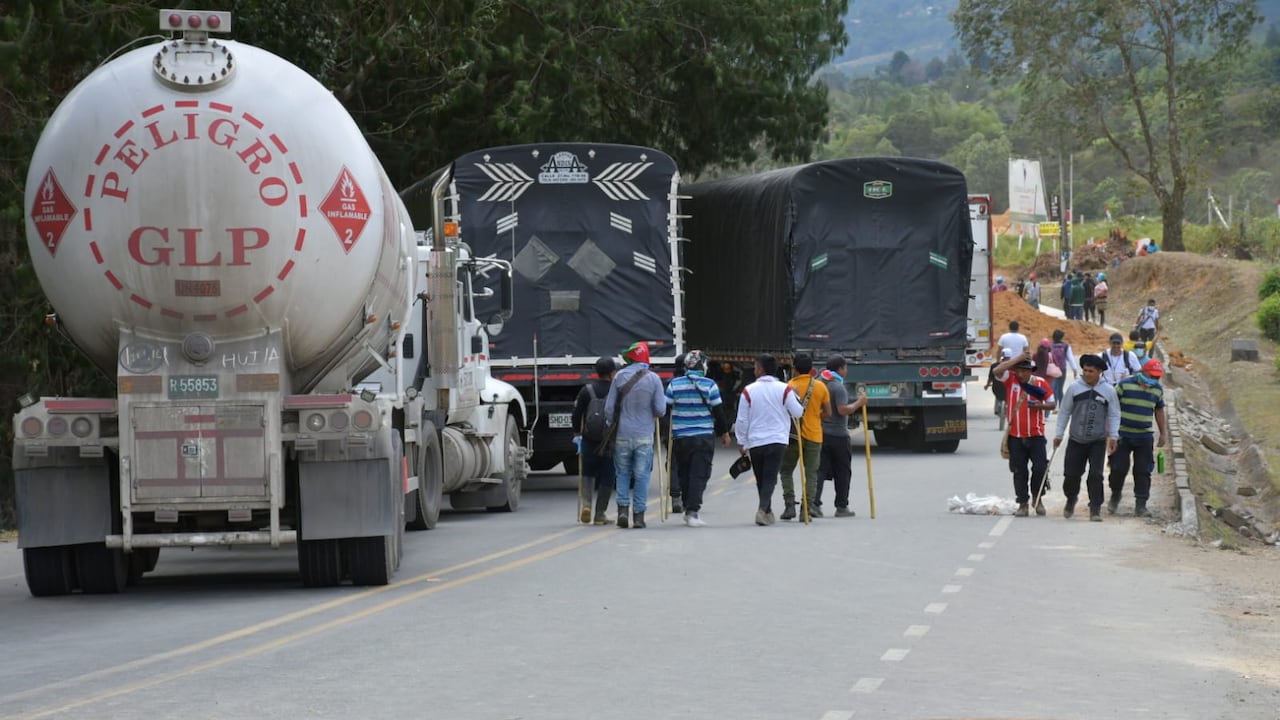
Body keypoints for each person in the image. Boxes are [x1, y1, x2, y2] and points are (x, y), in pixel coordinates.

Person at [735, 353, 804, 526]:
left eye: (756, 366)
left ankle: (765, 509)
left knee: (761, 477)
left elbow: (742, 419)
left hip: (756, 440)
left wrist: (741, 441)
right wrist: (795, 396)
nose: (755, 369)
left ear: (761, 369)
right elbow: (798, 412)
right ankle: (764, 509)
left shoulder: (748, 390)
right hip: (777, 439)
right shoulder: (784, 389)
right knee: (770, 477)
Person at [603, 341, 667, 529]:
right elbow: (661, 410)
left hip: (622, 434)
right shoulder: (654, 379)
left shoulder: (619, 376)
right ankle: (639, 517)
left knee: (622, 473)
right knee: (641, 476)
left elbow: (608, 409)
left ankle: (623, 511)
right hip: (644, 435)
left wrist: (611, 424)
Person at [664, 350, 731, 527]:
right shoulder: (710, 385)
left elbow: (666, 410)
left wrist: (667, 433)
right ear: (703, 366)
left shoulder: (674, 385)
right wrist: (724, 433)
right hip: (703, 436)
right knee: (699, 474)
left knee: (684, 473)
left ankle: (687, 505)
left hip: (680, 437)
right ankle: (692, 511)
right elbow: (718, 412)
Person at [1053, 354, 1120, 521]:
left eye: (1091, 371)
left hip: (1097, 440)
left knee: (1096, 475)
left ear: (1099, 372)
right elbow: (1064, 412)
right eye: (1085, 370)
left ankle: (1095, 508)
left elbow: (1114, 414)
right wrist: (1059, 434)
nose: (1087, 374)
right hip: (1076, 439)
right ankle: (1071, 498)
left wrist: (1113, 435)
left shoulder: (1108, 391)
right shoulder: (1074, 388)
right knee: (1071, 474)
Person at [992, 349, 1056, 516]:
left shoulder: (1040, 383)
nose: (1020, 373)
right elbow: (996, 371)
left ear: (1030, 371)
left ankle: (1038, 498)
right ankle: (1023, 503)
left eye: (1024, 370)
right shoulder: (1010, 381)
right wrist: (1018, 358)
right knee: (1019, 471)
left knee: (1040, 468)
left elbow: (1052, 404)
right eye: (1017, 369)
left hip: (1036, 435)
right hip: (1015, 436)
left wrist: (1039, 406)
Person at [1107, 358, 1168, 518]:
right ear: (1143, 372)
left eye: (1157, 377)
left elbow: (1159, 411)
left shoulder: (1157, 390)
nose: (1154, 380)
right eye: (1152, 375)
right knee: (1118, 469)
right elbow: (1112, 407)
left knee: (1143, 471)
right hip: (1123, 435)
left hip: (1145, 437)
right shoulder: (1124, 385)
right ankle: (1115, 495)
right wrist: (1110, 433)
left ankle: (1141, 504)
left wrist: (1163, 433)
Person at [779, 353, 832, 520]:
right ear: (811, 370)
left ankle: (789, 507)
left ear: (794, 368)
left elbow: (784, 411)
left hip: (793, 435)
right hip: (814, 435)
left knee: (786, 470)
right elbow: (828, 413)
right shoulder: (821, 387)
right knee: (811, 473)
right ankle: (806, 510)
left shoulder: (789, 386)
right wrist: (815, 416)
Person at [814, 355, 868, 518]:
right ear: (840, 369)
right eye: (845, 367)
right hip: (838, 435)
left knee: (820, 471)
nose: (846, 370)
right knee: (842, 471)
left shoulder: (819, 383)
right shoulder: (837, 387)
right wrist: (859, 403)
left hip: (821, 433)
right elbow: (843, 410)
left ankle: (814, 504)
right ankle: (841, 506)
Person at [571, 356, 618, 525]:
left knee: (588, 473)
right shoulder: (616, 390)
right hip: (610, 440)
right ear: (612, 373)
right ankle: (600, 514)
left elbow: (577, 414)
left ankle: (587, 505)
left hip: (590, 438)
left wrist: (577, 433)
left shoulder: (587, 390)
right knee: (608, 476)